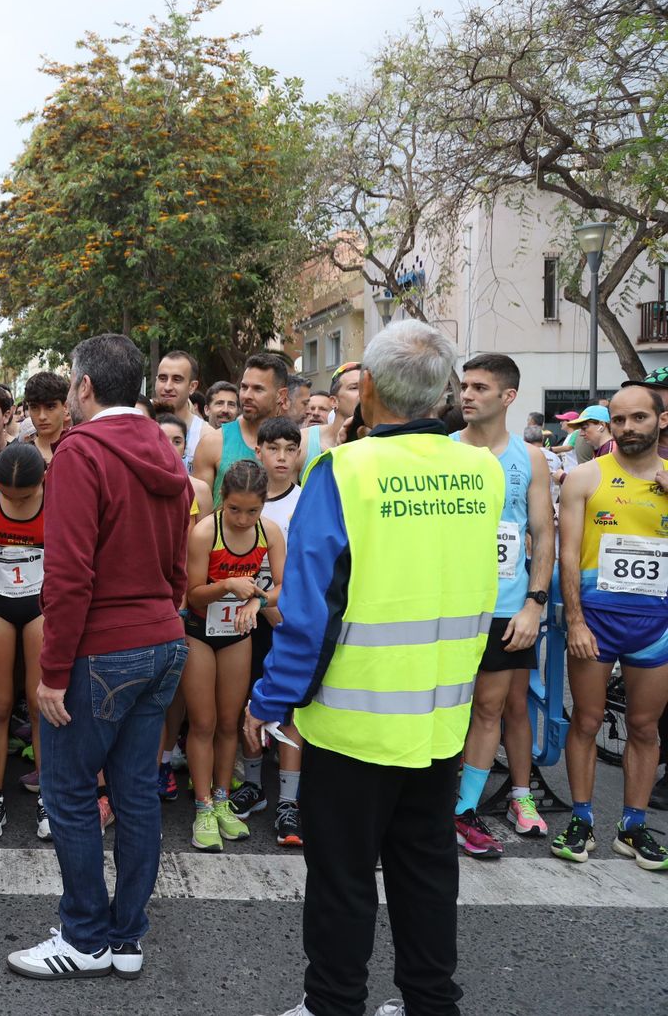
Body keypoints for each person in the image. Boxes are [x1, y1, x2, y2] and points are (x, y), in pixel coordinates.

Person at [247, 319, 502, 1016]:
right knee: (427, 870)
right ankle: (430, 1003)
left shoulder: (347, 471)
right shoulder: (480, 467)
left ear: (373, 393)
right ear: (442, 390)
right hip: (440, 717)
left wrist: (269, 699)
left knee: (343, 877)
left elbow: (309, 610)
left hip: (353, 723)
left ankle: (333, 1004)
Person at [7, 334, 190, 982]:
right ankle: (125, 937)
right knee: (138, 794)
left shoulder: (82, 453)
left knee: (69, 790)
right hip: (164, 638)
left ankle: (84, 935)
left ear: (83, 388)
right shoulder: (164, 452)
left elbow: (69, 572)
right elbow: (177, 565)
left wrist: (52, 672)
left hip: (104, 647)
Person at [553, 382, 668, 871]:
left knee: (644, 726)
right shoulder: (583, 477)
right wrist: (575, 620)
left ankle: (633, 826)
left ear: (660, 420)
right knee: (587, 719)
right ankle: (581, 818)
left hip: (655, 623)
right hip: (596, 621)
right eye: (619, 419)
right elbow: (568, 555)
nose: (627, 428)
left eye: (639, 418)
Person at [450, 354, 555, 857]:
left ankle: (464, 809)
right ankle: (431, 804)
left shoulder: (529, 457)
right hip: (449, 608)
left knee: (491, 707)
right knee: (446, 708)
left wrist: (534, 605)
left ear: (508, 397)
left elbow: (543, 534)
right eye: (463, 386)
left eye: (479, 387)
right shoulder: (441, 452)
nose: (466, 395)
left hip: (506, 608)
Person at [182, 460, 282, 851]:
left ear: (264, 505)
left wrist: (257, 601)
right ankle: (203, 806)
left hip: (237, 633)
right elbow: (192, 595)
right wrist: (225, 583)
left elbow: (280, 587)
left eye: (252, 510)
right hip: (200, 632)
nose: (243, 519)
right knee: (203, 722)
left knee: (229, 723)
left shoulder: (269, 532)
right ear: (222, 499)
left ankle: (223, 800)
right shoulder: (206, 531)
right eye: (235, 509)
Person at [232, 416, 304, 846]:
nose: (281, 457)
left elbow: (305, 571)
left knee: (293, 712)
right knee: (251, 704)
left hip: (290, 621)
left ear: (299, 453)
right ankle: (255, 785)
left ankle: (289, 802)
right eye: (272, 448)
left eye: (289, 449)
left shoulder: (307, 501)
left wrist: (275, 607)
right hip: (248, 624)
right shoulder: (244, 501)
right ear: (257, 451)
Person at [0, 443, 47, 841]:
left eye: (26, 496)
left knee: (40, 703)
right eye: (10, 494)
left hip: (39, 603)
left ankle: (47, 798)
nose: (16, 501)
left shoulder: (57, 494)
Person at [194, 354, 288, 504]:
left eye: (258, 389)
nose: (246, 396)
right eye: (244, 387)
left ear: (281, 395)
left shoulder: (295, 447)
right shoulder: (213, 443)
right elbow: (198, 514)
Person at [299, 363, 361, 478]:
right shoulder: (303, 441)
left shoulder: (383, 442)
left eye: (367, 388)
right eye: (354, 388)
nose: (363, 393)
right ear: (333, 401)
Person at [153, 351, 207, 469]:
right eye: (162, 378)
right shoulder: (139, 421)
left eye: (177, 379)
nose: (167, 387)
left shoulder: (205, 436)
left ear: (192, 386)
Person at [156, 414, 213, 522]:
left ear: (185, 447)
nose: (170, 447)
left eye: (177, 442)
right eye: (162, 440)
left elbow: (203, 535)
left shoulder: (201, 490)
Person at [23, 371, 69, 465]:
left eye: (50, 407)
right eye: (34, 407)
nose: (42, 416)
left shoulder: (80, 451)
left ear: (65, 407)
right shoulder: (19, 456)